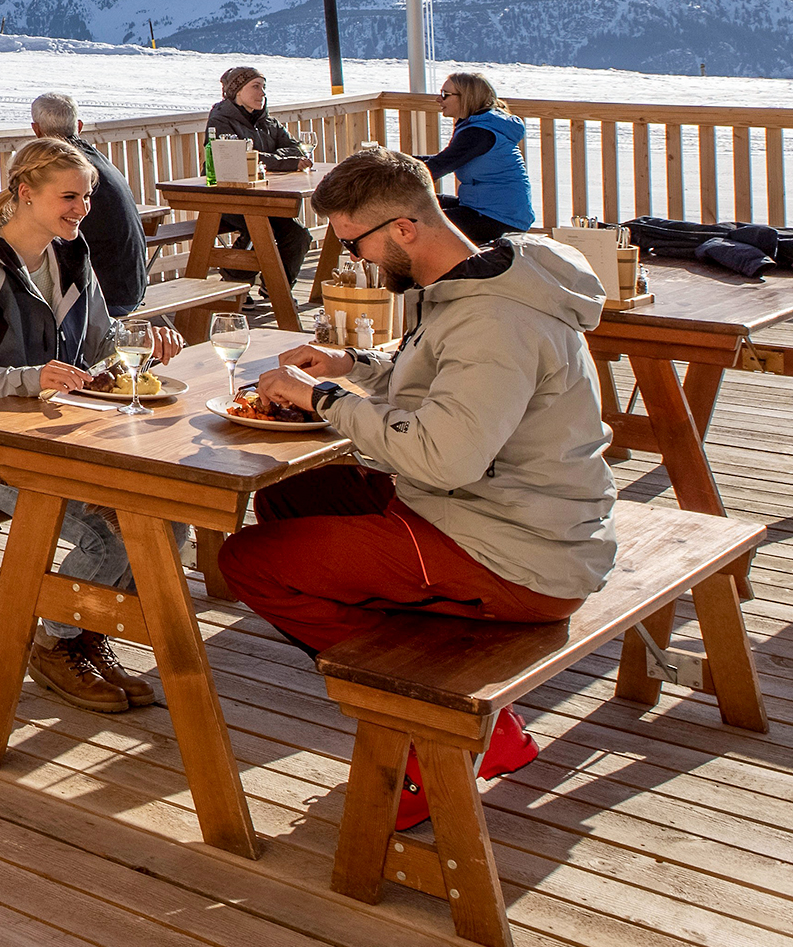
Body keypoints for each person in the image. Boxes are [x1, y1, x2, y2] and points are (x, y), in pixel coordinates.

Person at [226, 147, 617, 830]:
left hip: (521, 550)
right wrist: (355, 365)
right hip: (501, 509)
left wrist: (322, 397)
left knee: (247, 562)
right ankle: (439, 679)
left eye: (354, 242)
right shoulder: (480, 278)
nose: (351, 258)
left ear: (403, 228)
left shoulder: (496, 321)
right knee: (289, 501)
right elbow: (437, 370)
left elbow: (443, 454)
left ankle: (429, 716)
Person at [0, 139, 180, 712]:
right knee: (107, 532)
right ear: (23, 193)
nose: (82, 208)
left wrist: (144, 346)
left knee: (163, 521)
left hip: (54, 438)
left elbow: (101, 345)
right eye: (69, 196)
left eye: (86, 196)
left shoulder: (70, 254)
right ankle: (54, 645)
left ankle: (87, 636)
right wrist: (29, 378)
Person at [30, 92, 148, 313]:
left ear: (36, 130)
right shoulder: (98, 161)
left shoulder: (59, 167)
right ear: (79, 126)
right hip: (131, 287)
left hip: (106, 299)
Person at [204, 65, 314, 300]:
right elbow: (238, 157)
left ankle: (277, 288)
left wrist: (275, 159)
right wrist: (285, 162)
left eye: (263, 87)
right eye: (255, 87)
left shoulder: (267, 122)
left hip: (264, 196)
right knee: (259, 230)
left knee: (298, 235)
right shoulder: (221, 121)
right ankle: (237, 285)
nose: (261, 93)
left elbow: (295, 149)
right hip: (227, 197)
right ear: (237, 91)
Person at [417, 72, 535, 244]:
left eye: (445, 95)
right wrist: (395, 159)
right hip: (488, 209)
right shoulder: (481, 125)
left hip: (498, 219)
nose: (438, 100)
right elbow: (445, 159)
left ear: (466, 98)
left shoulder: (478, 133)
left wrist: (390, 173)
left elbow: (436, 167)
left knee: (416, 222)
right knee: (424, 202)